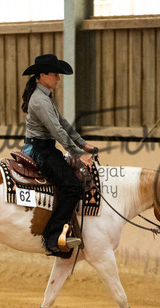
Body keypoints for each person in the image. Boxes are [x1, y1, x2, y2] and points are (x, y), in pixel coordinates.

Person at [21, 54, 96, 255]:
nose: (58, 78)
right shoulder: (40, 100)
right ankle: (53, 236)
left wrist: (82, 144)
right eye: (55, 74)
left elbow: (62, 122)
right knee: (73, 187)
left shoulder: (45, 96)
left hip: (45, 147)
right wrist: (77, 153)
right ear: (42, 75)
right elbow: (57, 130)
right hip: (39, 150)